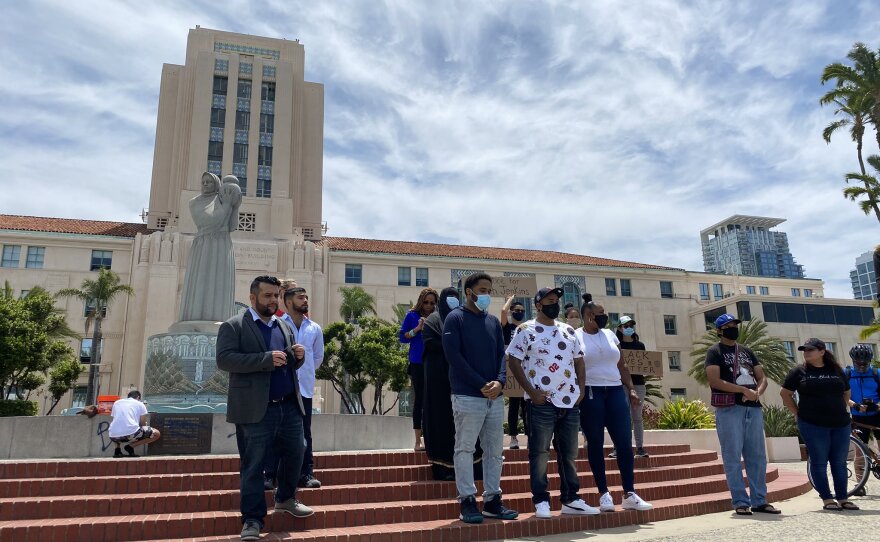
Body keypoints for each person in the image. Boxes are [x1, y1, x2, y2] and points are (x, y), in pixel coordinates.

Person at [216, 275, 313, 542]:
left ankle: (285, 499)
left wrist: (297, 358)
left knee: (298, 451)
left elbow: (287, 364)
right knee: (253, 465)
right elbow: (224, 360)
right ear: (253, 298)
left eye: (275, 296)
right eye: (267, 296)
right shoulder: (234, 325)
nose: (272, 301)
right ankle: (252, 520)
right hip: (254, 410)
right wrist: (264, 359)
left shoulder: (283, 326)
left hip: (289, 407)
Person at [507, 287, 597, 518]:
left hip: (570, 402)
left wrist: (581, 389)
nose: (554, 304)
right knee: (539, 453)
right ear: (538, 304)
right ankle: (541, 500)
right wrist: (531, 392)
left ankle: (571, 498)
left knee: (569, 453)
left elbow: (579, 361)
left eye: (556, 301)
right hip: (541, 403)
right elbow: (514, 361)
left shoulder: (568, 330)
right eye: (549, 301)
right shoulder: (525, 330)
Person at [443, 272, 519, 524]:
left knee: (495, 451)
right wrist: (480, 384)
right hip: (467, 396)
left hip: (494, 397)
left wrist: (499, 381)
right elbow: (454, 357)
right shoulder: (455, 319)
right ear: (469, 292)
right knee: (465, 448)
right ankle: (467, 501)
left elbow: (501, 354)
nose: (486, 295)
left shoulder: (493, 322)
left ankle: (492, 501)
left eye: (489, 291)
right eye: (482, 290)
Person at [576, 294, 652, 512]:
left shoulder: (610, 334)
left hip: (615, 390)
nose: (605, 317)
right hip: (591, 392)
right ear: (589, 316)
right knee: (595, 442)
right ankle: (604, 494)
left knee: (624, 442)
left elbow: (622, 365)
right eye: (601, 314)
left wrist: (630, 389)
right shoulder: (576, 336)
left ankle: (629, 493)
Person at [704, 313, 780, 516]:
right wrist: (742, 391)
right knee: (732, 456)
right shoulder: (714, 351)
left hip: (753, 408)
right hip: (729, 409)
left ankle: (760, 500)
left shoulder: (746, 351)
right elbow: (714, 381)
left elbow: (762, 377)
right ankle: (739, 501)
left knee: (757, 456)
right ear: (719, 330)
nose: (733, 328)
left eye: (735, 324)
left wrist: (757, 392)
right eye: (728, 325)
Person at [780, 339, 858, 511]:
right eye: (804, 350)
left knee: (839, 462)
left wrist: (841, 408)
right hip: (812, 424)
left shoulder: (836, 370)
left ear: (822, 351)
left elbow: (846, 391)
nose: (806, 352)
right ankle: (827, 499)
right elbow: (785, 394)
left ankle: (843, 498)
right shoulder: (798, 372)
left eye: (811, 349)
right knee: (819, 462)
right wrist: (797, 413)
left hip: (840, 424)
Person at [422, 287, 484, 481]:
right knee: (442, 424)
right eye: (449, 298)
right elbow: (431, 344)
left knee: (467, 425)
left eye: (455, 298)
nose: (452, 301)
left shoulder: (463, 319)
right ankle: (443, 467)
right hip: (440, 384)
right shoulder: (433, 321)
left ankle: (473, 467)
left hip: (463, 383)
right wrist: (453, 346)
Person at [280, 286, 325, 490]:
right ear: (288, 302)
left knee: (305, 433)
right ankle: (271, 474)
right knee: (276, 432)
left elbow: (317, 358)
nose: (305, 300)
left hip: (304, 389)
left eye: (306, 296)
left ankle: (306, 474)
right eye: (300, 297)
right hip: (282, 388)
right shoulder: (278, 325)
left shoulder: (314, 328)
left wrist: (304, 373)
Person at [400, 288, 439, 451]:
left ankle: (434, 438)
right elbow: (402, 337)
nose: (428, 306)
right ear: (421, 301)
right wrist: (416, 329)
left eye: (432, 303)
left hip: (435, 363)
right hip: (417, 362)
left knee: (435, 400)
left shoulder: (438, 317)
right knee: (420, 400)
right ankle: (418, 441)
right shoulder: (412, 316)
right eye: (426, 302)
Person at [843, 343, 879, 497]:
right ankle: (859, 484)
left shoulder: (876, 373)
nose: (861, 366)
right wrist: (854, 405)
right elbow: (842, 394)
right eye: (858, 363)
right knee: (860, 452)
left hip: (877, 414)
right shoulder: (847, 373)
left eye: (864, 363)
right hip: (858, 416)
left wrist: (876, 406)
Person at [614, 316, 649, 459]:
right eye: (625, 325)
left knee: (637, 417)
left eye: (630, 325)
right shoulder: (617, 346)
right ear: (619, 328)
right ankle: (619, 447)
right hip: (621, 385)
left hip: (639, 384)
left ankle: (640, 447)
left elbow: (647, 364)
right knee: (622, 417)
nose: (629, 327)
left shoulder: (640, 345)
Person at [501, 296, 528, 449]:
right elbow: (503, 312)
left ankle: (530, 436)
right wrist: (510, 299)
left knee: (526, 407)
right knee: (513, 406)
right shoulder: (508, 327)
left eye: (521, 311)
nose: (519, 312)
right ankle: (513, 439)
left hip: (524, 369)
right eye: (516, 310)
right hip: (511, 369)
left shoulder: (526, 328)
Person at [108, 390, 161, 457]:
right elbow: (143, 423)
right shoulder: (140, 404)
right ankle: (130, 447)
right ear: (138, 397)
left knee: (116, 427)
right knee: (157, 434)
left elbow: (116, 418)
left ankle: (117, 451)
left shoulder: (117, 402)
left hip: (112, 436)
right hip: (130, 434)